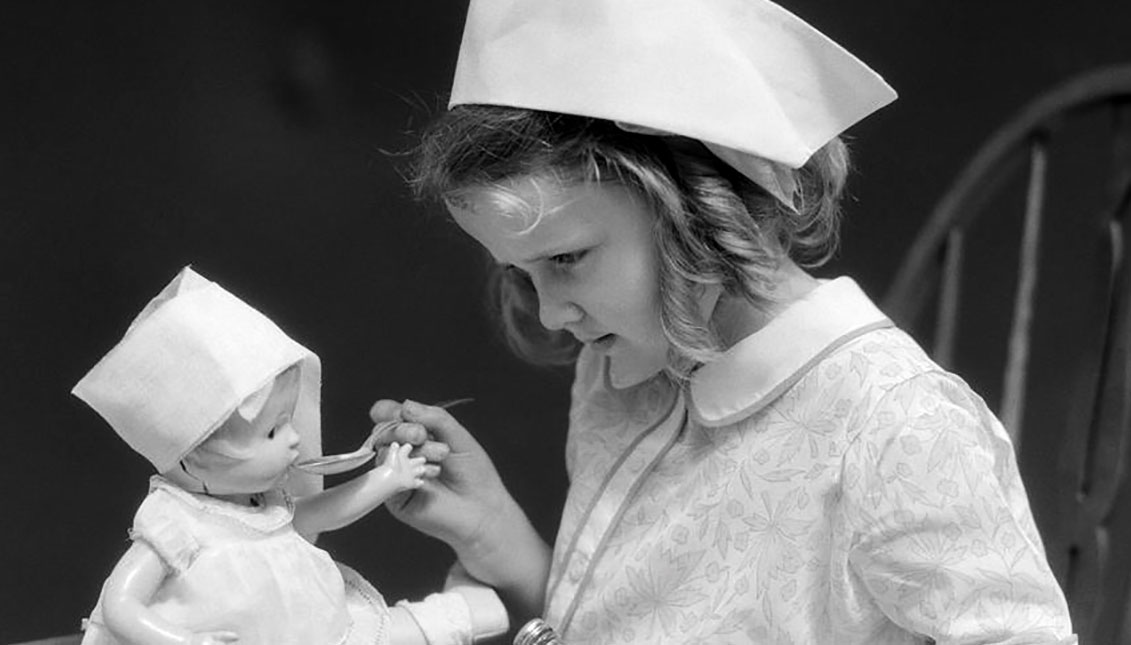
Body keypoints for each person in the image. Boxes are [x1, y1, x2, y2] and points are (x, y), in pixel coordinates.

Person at [370, 0, 1078, 642]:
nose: (552, 312)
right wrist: (496, 535)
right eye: (518, 272)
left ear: (700, 208)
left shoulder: (892, 423)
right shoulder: (619, 373)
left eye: (566, 258)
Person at [74, 266, 507, 645]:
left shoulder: (266, 507)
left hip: (310, 629)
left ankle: (468, 613)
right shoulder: (178, 522)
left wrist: (385, 478)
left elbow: (319, 513)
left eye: (287, 421)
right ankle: (461, 615)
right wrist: (182, 639)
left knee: (375, 631)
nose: (294, 440)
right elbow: (122, 601)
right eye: (272, 431)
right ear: (194, 456)